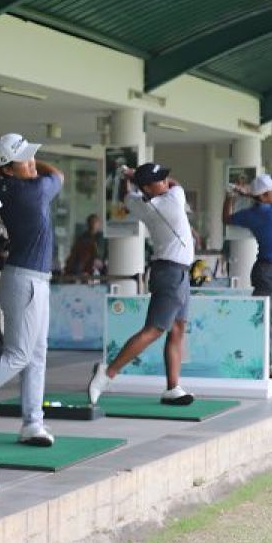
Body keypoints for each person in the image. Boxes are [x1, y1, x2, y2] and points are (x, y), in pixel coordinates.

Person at [0, 133, 64, 448]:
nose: (31, 163)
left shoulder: (8, 186)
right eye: (24, 160)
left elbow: (36, 172)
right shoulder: (34, 191)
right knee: (18, 354)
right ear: (7, 169)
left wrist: (22, 158)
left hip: (31, 279)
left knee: (36, 355)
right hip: (25, 280)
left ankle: (33, 424)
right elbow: (59, 176)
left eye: (32, 156)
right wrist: (32, 162)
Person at [88, 163, 195, 406]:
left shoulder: (139, 203)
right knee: (154, 330)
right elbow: (177, 185)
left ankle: (172, 387)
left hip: (174, 271)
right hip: (171, 273)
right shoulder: (173, 200)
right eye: (159, 180)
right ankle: (107, 373)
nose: (166, 182)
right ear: (147, 187)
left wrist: (131, 178)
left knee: (177, 329)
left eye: (164, 177)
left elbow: (130, 195)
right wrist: (133, 173)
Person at [223, 172, 272, 381]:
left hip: (264, 269)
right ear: (263, 196)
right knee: (267, 318)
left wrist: (231, 197)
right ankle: (267, 364)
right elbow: (265, 202)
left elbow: (226, 218)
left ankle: (258, 358)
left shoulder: (252, 215)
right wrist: (248, 193)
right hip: (270, 271)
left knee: (264, 317)